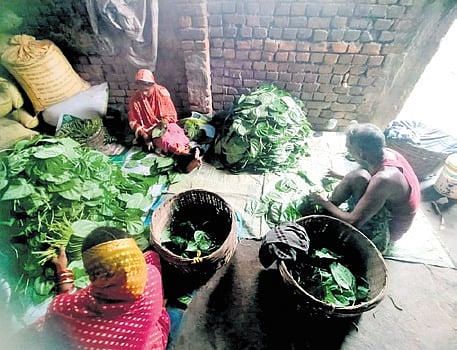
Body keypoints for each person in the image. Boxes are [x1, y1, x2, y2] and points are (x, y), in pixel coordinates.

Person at [33, 226, 170, 349]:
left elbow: (51, 336)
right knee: (151, 257)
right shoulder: (152, 277)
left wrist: (62, 270)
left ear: (91, 274)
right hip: (146, 343)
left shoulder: (63, 308)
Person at [309, 123, 421, 252]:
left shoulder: (385, 179)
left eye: (349, 148)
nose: (347, 151)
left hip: (389, 229)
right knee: (358, 176)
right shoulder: (386, 153)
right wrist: (340, 176)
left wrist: (324, 202)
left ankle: (327, 212)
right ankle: (327, 212)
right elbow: (370, 177)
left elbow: (353, 221)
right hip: (386, 202)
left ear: (361, 154)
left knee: (356, 178)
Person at [128, 68, 202, 173]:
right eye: (141, 90)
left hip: (166, 123)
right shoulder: (135, 98)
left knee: (176, 132)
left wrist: (164, 123)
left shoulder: (162, 93)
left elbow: (171, 114)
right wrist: (145, 135)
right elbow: (133, 120)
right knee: (165, 140)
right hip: (150, 129)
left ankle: (189, 152)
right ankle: (187, 157)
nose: (144, 94)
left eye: (146, 90)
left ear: (152, 85)